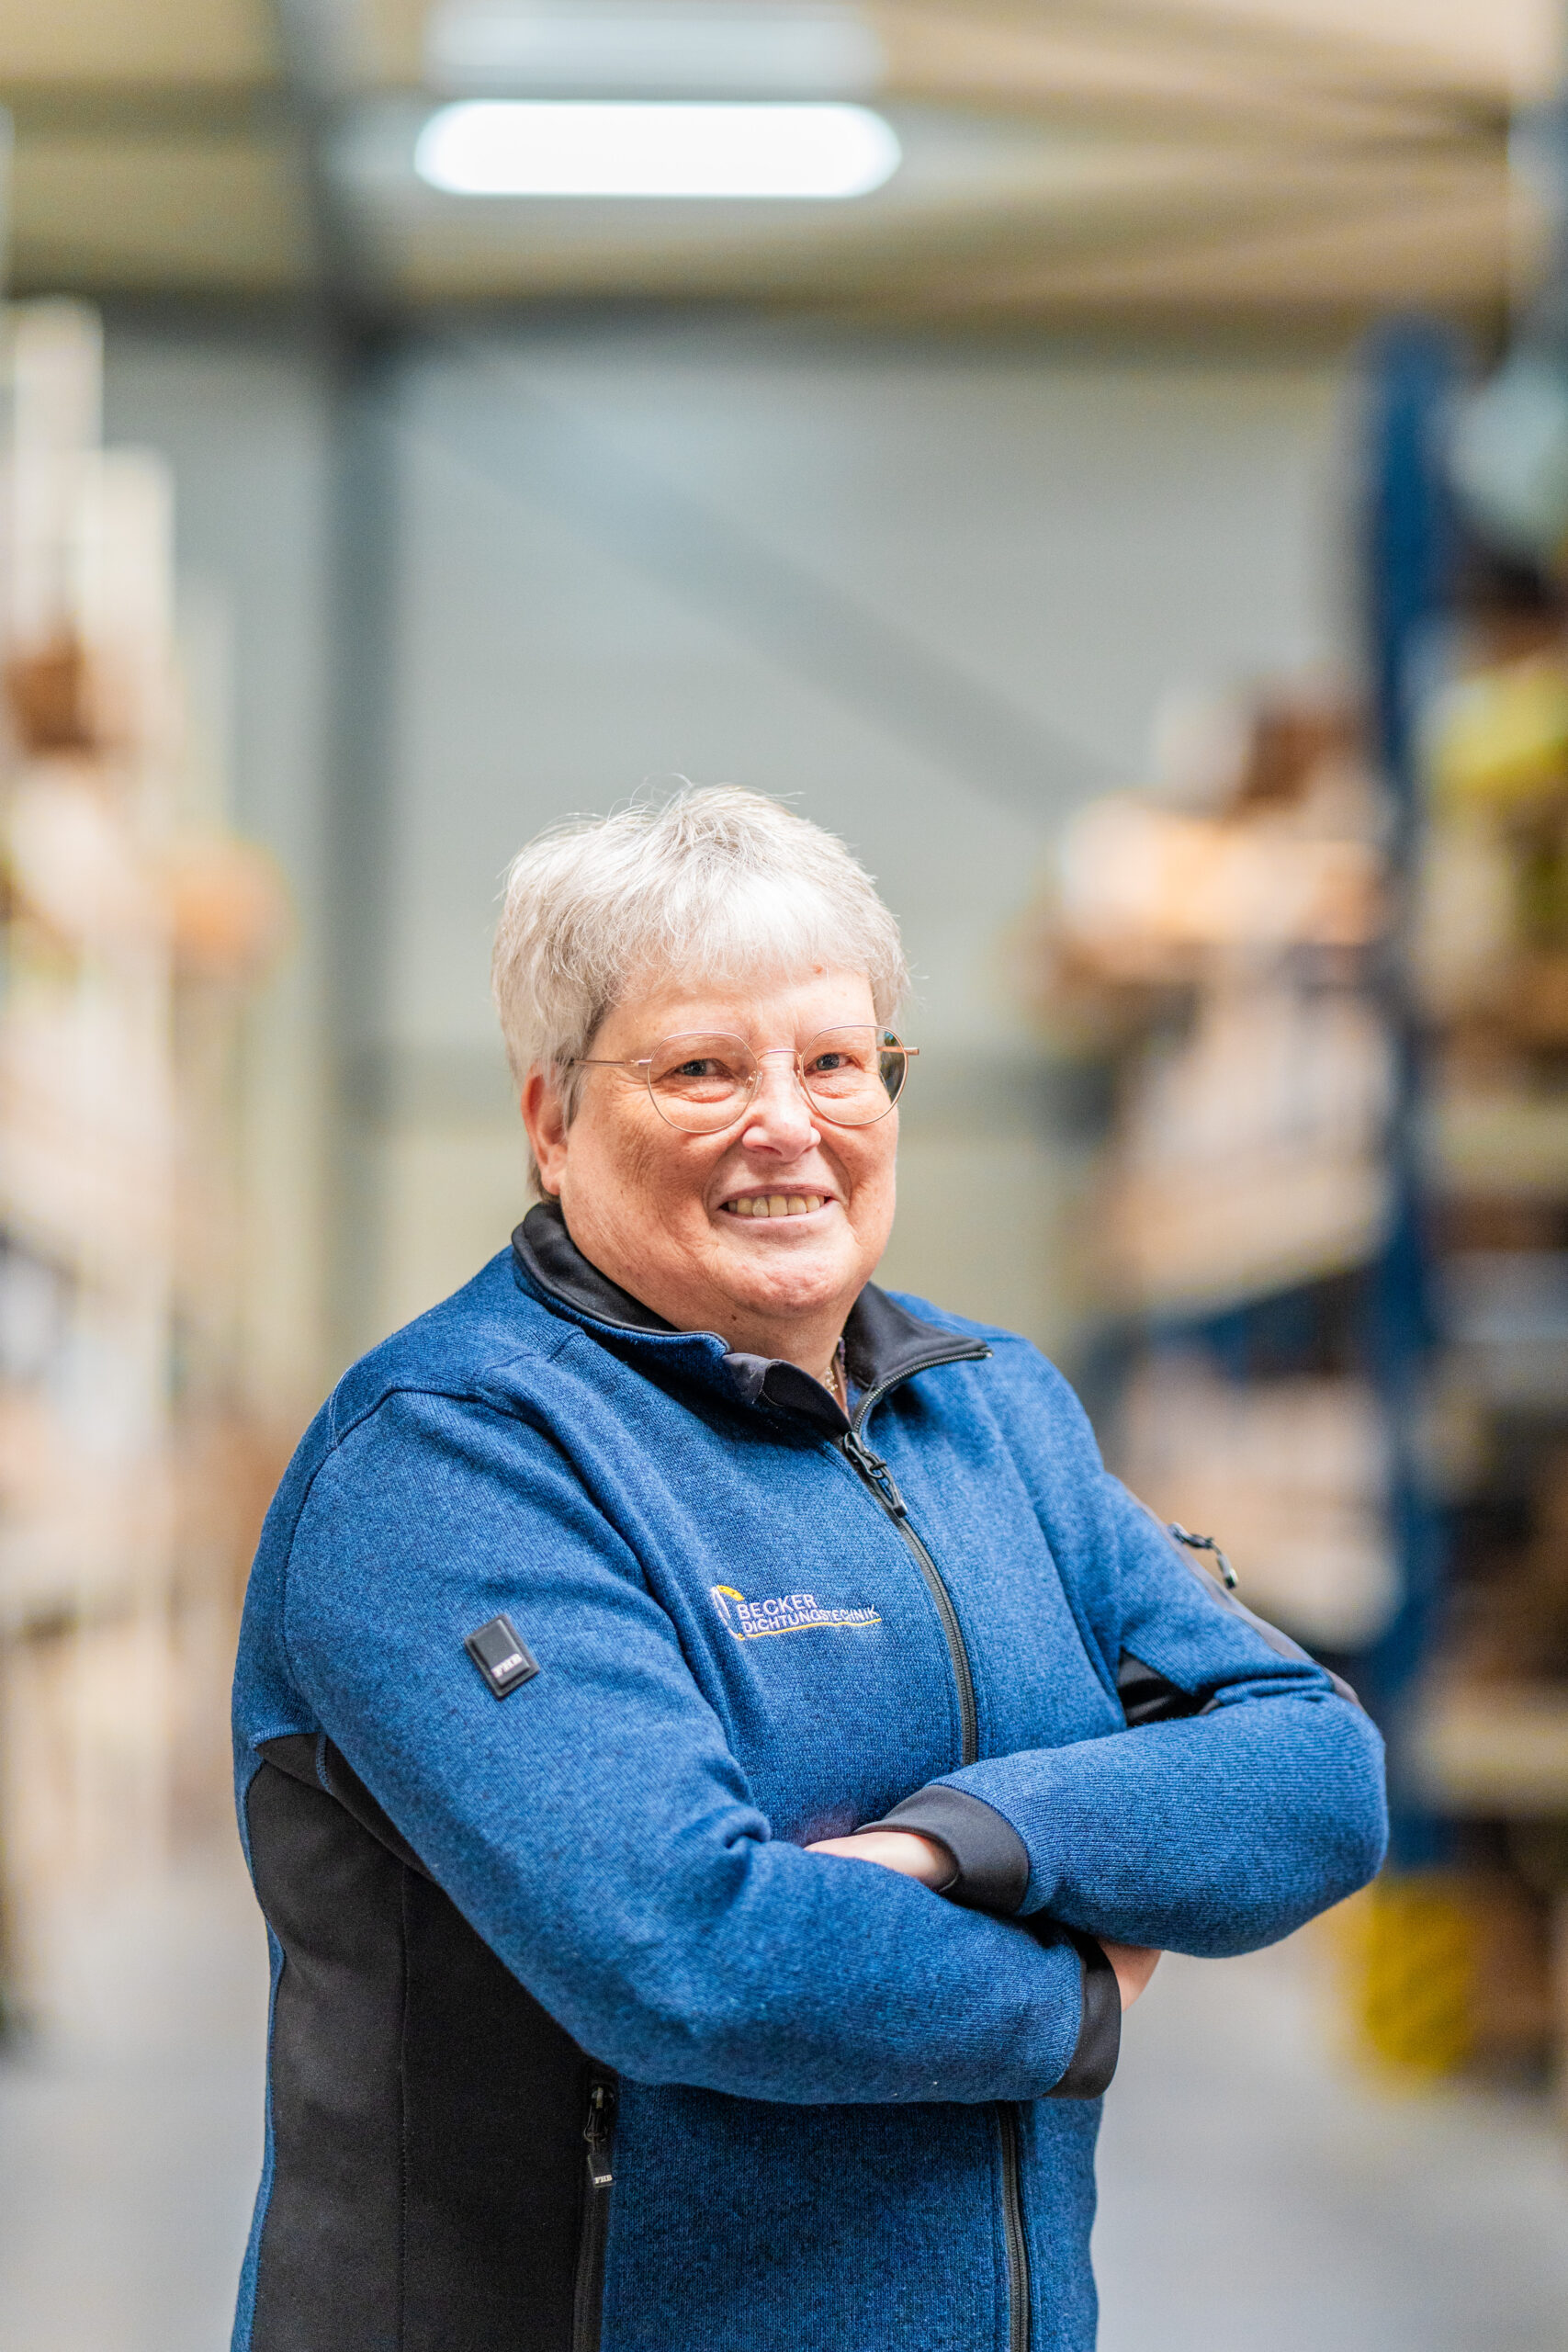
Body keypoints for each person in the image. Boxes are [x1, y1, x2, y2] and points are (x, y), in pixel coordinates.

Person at [231, 786, 1386, 2352]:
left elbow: (1316, 1772)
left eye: (836, 1062)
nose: (790, 1124)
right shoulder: (454, 1459)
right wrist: (1085, 1995)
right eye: (702, 1069)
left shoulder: (992, 1418)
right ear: (551, 1119)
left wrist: (956, 1846)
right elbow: (692, 1952)